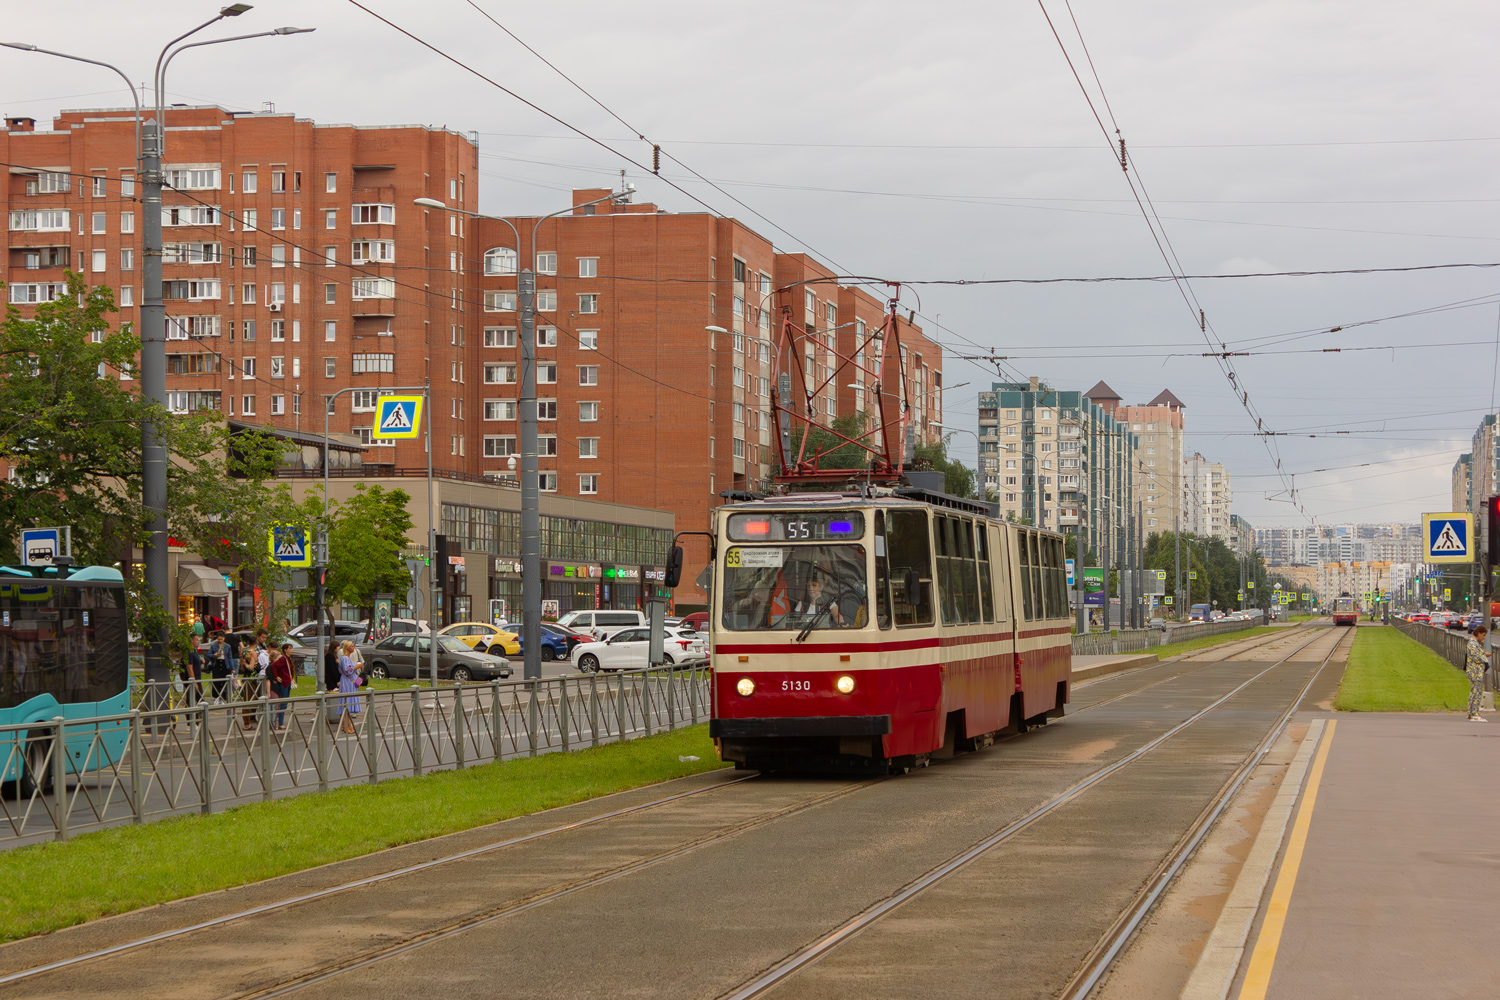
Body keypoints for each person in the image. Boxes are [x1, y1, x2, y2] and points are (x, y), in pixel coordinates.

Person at [336, 639, 362, 735]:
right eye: (351, 646)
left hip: (350, 682)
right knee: (345, 703)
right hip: (347, 683)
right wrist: (357, 666)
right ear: (347, 648)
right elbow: (348, 670)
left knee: (348, 704)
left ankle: (348, 725)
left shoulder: (347, 658)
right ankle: (346, 726)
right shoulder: (344, 658)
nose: (353, 648)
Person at [1465, 625, 1489, 722]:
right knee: (1476, 693)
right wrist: (1485, 657)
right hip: (1476, 672)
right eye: (1483, 635)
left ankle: (1471, 713)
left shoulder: (1474, 643)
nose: (1483, 638)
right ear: (1478, 634)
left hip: (1476, 672)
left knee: (1474, 693)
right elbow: (1477, 657)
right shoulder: (1473, 644)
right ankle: (1474, 713)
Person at [269, 642, 295, 730]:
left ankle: (280, 722)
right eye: (290, 648)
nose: (291, 650)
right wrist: (277, 677)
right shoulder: (283, 659)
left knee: (285, 702)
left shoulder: (287, 659)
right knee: (283, 703)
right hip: (284, 682)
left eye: (292, 648)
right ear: (285, 650)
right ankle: (280, 723)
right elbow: (274, 666)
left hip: (287, 682)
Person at [207, 631, 230, 703]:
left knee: (224, 682)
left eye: (221, 639)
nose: (220, 641)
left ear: (224, 639)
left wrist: (232, 668)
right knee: (216, 681)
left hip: (224, 664)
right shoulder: (214, 645)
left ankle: (223, 698)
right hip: (216, 664)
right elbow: (208, 654)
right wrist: (214, 655)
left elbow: (230, 657)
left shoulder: (227, 646)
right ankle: (217, 698)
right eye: (219, 639)